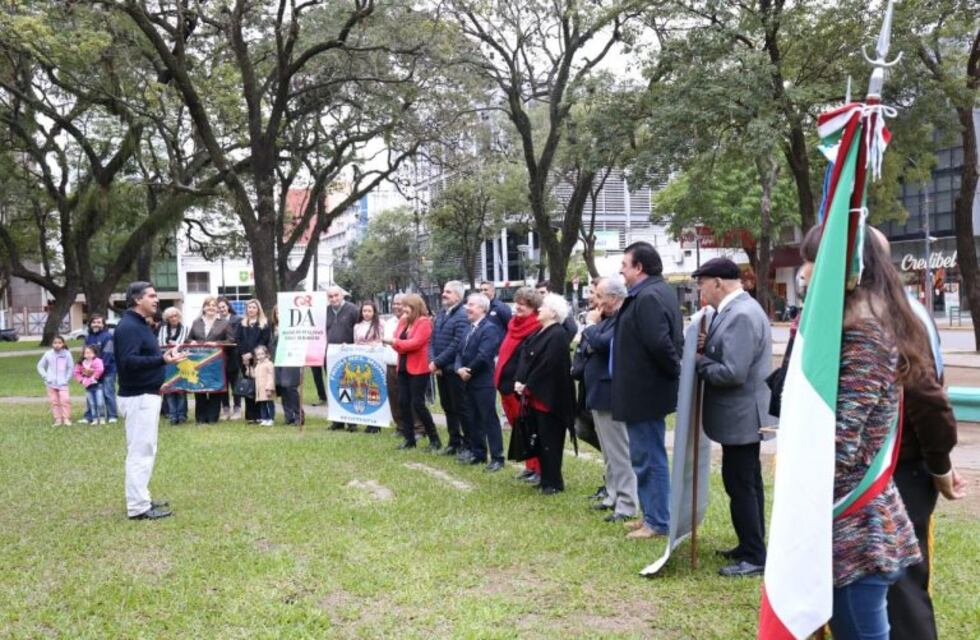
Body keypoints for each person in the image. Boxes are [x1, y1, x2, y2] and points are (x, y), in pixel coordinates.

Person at [798, 226, 923, 639]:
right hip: (846, 523)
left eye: (814, 260)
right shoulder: (847, 327)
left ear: (844, 268)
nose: (804, 272)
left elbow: (840, 439)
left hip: (854, 527)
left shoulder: (865, 334)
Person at [861, 230, 964, 639]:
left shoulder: (893, 315)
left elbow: (927, 397)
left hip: (898, 472)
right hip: (877, 470)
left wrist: (939, 465)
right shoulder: (866, 310)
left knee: (900, 587)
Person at [692, 257, 773, 577]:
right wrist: (708, 347)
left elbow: (732, 372)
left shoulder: (740, 313)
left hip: (741, 416)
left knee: (741, 485)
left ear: (718, 283)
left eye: (702, 283)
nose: (700, 290)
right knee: (746, 483)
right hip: (741, 415)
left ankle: (754, 555)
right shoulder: (738, 309)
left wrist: (699, 362)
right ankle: (750, 544)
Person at [611, 241, 683, 540]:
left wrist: (673, 373)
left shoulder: (650, 295)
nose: (621, 271)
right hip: (641, 390)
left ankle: (658, 521)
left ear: (639, 267)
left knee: (649, 457)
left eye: (625, 265)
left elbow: (660, 344)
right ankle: (651, 514)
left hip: (646, 391)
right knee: (643, 456)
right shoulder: (648, 292)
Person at [114, 281, 186, 520]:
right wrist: (162, 361)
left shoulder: (140, 325)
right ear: (137, 299)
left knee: (145, 449)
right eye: (152, 296)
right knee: (140, 452)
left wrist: (163, 362)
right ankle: (138, 507)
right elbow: (128, 362)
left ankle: (141, 497)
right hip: (138, 397)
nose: (156, 300)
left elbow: (143, 358)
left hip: (147, 393)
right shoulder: (128, 327)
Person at [581, 277, 638, 523]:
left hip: (610, 393)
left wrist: (591, 328)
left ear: (614, 298)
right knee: (608, 452)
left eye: (600, 297)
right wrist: (593, 338)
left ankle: (627, 504)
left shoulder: (621, 319)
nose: (596, 302)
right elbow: (587, 347)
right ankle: (613, 495)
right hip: (598, 392)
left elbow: (602, 344)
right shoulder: (607, 319)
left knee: (619, 452)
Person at [514, 293, 575, 494]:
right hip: (536, 396)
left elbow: (549, 365)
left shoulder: (557, 334)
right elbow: (527, 357)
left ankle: (553, 482)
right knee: (540, 439)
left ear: (554, 312)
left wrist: (528, 384)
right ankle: (545, 478)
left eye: (544, 307)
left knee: (551, 441)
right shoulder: (541, 331)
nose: (539, 309)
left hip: (550, 398)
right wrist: (520, 381)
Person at [495, 286, 543, 484]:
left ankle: (539, 468)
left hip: (520, 388)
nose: (519, 307)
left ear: (534, 307)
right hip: (506, 387)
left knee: (529, 429)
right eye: (518, 302)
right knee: (519, 429)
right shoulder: (513, 325)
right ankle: (529, 466)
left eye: (524, 304)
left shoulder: (536, 328)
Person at [384, 293, 441, 450]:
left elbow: (414, 344)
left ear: (415, 307)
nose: (403, 309)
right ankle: (409, 439)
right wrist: (398, 343)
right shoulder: (403, 321)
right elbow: (398, 342)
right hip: (402, 366)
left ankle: (434, 439)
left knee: (418, 403)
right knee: (403, 402)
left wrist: (397, 342)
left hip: (418, 369)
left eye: (406, 306)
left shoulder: (424, 322)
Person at [455, 293, 505, 471]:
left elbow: (485, 355)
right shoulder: (469, 328)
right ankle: (479, 453)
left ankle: (497, 457)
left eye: (472, 305)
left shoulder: (490, 329)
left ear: (483, 308)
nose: (467, 308)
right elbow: (459, 352)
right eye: (467, 304)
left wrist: (468, 370)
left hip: (483, 381)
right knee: (473, 418)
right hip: (466, 381)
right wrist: (459, 368)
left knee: (488, 418)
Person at [429, 281, 471, 456]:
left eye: (448, 292)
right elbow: (432, 340)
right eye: (444, 291)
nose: (443, 294)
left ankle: (468, 444)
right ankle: (454, 441)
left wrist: (437, 362)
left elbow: (456, 344)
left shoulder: (462, 315)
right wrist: (433, 361)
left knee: (460, 407)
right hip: (441, 370)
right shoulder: (441, 313)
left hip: (454, 369)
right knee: (447, 406)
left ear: (458, 296)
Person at [189, 296, 234, 424]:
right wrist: (191, 341)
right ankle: (201, 418)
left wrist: (217, 343)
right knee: (200, 388)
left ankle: (213, 417)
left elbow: (231, 340)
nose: (211, 307)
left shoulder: (224, 323)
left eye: (214, 305)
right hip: (199, 362)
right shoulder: (196, 322)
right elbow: (188, 339)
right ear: (204, 308)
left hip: (216, 362)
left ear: (217, 309)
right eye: (208, 305)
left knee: (214, 389)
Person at [326, 285, 360, 431]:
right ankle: (337, 420)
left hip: (348, 355)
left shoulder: (352, 310)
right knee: (334, 387)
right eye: (331, 296)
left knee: (350, 387)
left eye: (336, 295)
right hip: (331, 355)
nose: (334, 299)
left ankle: (351, 421)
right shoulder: (326, 311)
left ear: (342, 295)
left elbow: (359, 330)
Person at [237, 299, 272, 424]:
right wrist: (244, 355)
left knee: (259, 387)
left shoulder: (264, 324)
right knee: (248, 387)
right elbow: (238, 340)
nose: (251, 309)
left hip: (259, 359)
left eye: (253, 307)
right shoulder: (242, 323)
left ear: (258, 309)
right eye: (249, 307)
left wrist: (252, 354)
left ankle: (261, 415)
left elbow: (264, 340)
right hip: (244, 360)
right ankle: (250, 416)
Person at [270, 305, 303, 426]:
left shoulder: (293, 328)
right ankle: (288, 416)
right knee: (282, 388)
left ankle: (299, 415)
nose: (279, 315)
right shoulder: (273, 327)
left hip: (291, 360)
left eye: (282, 312)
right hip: (277, 361)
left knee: (291, 388)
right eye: (277, 312)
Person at [158, 306, 189, 425]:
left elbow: (181, 344)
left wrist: (173, 344)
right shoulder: (163, 328)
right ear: (167, 318)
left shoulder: (185, 328)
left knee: (181, 389)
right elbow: (161, 343)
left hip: (181, 362)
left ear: (179, 316)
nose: (173, 318)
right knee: (169, 389)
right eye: (170, 317)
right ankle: (172, 415)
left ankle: (181, 415)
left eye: (175, 316)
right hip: (167, 362)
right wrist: (174, 345)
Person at [84, 314, 118, 423]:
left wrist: (98, 370)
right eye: (94, 322)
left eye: (99, 322)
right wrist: (86, 368)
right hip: (91, 371)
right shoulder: (88, 337)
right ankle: (90, 416)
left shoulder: (108, 336)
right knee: (91, 393)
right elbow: (85, 354)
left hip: (108, 370)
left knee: (108, 393)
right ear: (90, 324)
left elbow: (108, 354)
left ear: (103, 324)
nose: (96, 324)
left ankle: (112, 415)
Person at [37, 335, 74, 426]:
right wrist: (45, 376)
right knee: (54, 402)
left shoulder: (67, 354)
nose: (57, 345)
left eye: (59, 343)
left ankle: (66, 419)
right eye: (55, 343)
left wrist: (67, 379)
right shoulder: (48, 354)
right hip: (51, 383)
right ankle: (58, 419)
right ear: (52, 344)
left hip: (63, 382)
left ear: (63, 344)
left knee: (65, 400)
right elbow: (40, 366)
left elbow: (70, 367)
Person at [217, 297, 243, 420]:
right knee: (223, 384)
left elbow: (236, 337)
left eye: (223, 306)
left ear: (228, 306)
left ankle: (237, 409)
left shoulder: (237, 319)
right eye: (219, 307)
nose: (221, 309)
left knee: (235, 383)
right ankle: (225, 409)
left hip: (234, 356)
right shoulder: (216, 321)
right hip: (220, 357)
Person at [73, 344, 106, 425]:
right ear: (83, 354)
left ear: (94, 353)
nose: (88, 355)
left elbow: (100, 369)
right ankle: (94, 419)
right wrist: (81, 380)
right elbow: (76, 372)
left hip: (98, 386)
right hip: (88, 387)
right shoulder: (81, 363)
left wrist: (94, 377)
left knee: (100, 402)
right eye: (86, 353)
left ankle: (102, 418)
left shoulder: (97, 361)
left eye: (90, 353)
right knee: (92, 403)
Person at [250, 345, 276, 426]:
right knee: (262, 405)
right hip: (260, 390)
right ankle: (264, 418)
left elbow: (271, 377)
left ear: (266, 354)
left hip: (267, 389)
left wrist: (269, 388)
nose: (260, 356)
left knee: (269, 404)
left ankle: (271, 419)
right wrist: (249, 368)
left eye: (262, 354)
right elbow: (254, 376)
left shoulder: (269, 364)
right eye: (258, 354)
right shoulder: (258, 365)